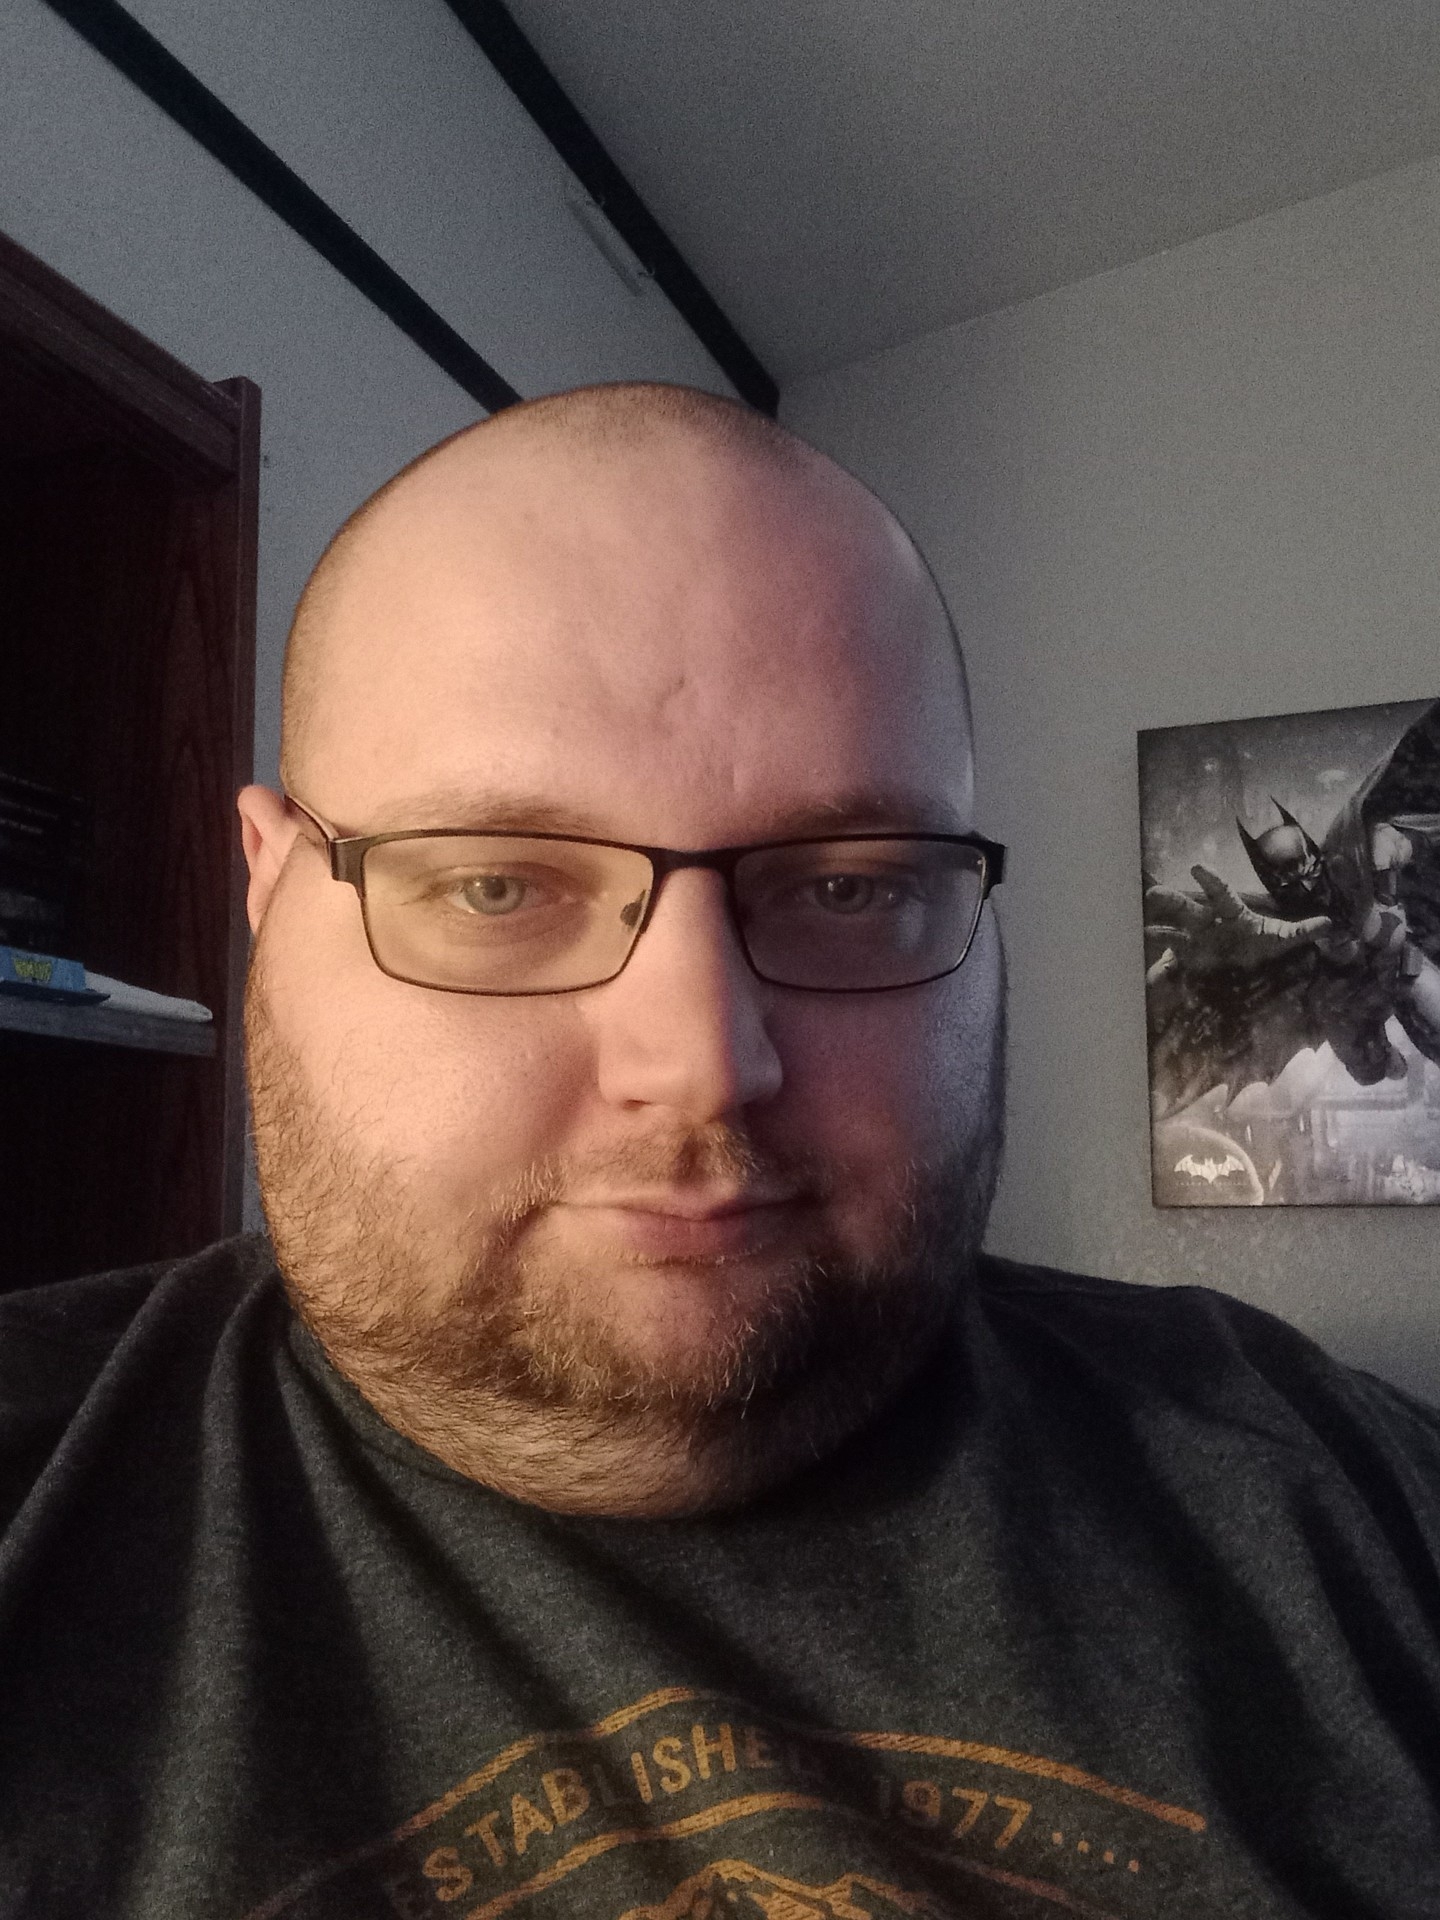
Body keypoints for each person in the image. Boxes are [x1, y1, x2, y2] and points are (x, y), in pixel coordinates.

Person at [0, 383, 1436, 1920]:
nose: (704, 1067)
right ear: (269, 888)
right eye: (497, 887)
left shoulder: (1352, 1507)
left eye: (847, 887)